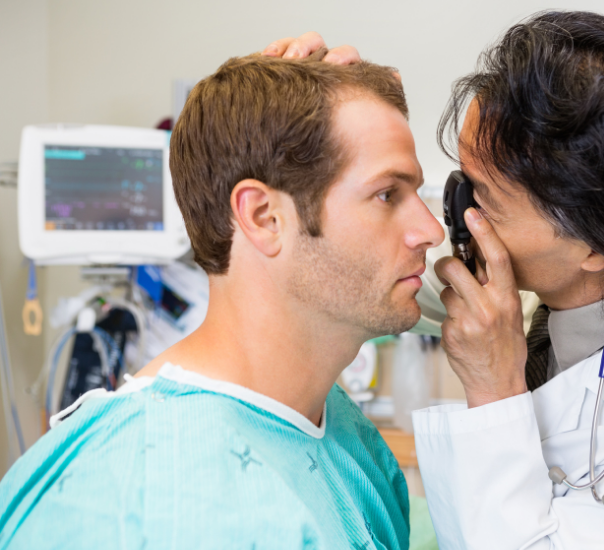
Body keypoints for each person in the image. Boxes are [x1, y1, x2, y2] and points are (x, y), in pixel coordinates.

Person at [267, 11, 604, 549]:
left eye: (483, 201)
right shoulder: (547, 274)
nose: (446, 221)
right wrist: (314, 135)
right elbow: (370, 277)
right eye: (462, 182)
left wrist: (495, 389)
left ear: (594, 244)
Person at [0, 50, 444, 549]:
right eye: (388, 195)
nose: (431, 230)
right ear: (263, 217)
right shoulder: (139, 499)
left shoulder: (338, 431)